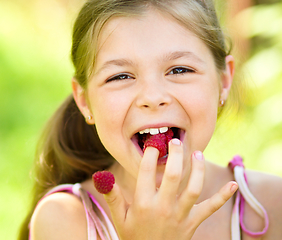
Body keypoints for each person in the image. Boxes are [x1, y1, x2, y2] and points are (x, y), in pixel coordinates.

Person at [19, 0, 282, 239]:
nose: (153, 97)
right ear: (85, 101)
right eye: (120, 76)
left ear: (224, 81)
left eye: (180, 69)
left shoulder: (271, 206)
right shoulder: (65, 220)